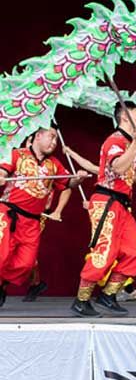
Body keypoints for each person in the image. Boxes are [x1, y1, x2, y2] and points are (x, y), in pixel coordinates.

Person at [70, 101, 136, 317]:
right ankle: (81, 300)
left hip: (122, 205)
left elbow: (128, 174)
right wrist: (135, 144)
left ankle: (108, 294)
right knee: (104, 252)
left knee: (135, 252)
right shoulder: (115, 141)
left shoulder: (128, 143)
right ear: (125, 118)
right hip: (107, 202)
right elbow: (118, 167)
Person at [0, 127, 89, 306]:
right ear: (37, 136)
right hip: (7, 214)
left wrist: (78, 178)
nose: (54, 142)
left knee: (26, 263)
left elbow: (67, 183)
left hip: (32, 221)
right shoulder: (17, 154)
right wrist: (1, 176)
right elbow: (2, 171)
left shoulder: (55, 164)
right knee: (1, 256)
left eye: (56, 139)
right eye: (51, 137)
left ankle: (2, 284)